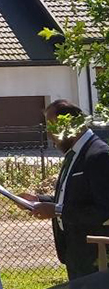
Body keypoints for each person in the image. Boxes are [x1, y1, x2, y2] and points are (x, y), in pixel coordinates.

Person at [19, 100, 109, 281]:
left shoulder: (99, 155)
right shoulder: (74, 154)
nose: (49, 134)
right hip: (74, 252)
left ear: (69, 124)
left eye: (52, 127)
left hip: (95, 255)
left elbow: (104, 210)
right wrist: (38, 199)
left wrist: (57, 211)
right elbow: (74, 198)